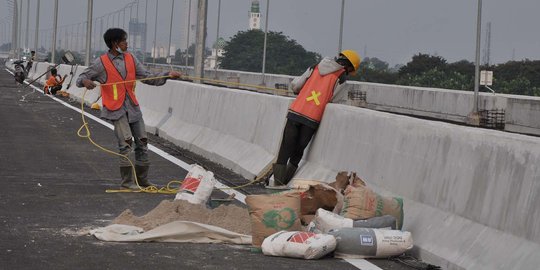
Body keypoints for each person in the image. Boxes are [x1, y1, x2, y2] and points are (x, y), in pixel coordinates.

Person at [76, 28, 181, 189]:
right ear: (114, 43)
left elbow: (147, 76)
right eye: (123, 41)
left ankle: (142, 180)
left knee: (143, 142)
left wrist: (167, 75)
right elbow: (82, 77)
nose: (127, 43)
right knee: (125, 143)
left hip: (132, 107)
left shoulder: (131, 59)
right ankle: (127, 182)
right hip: (116, 109)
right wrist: (85, 82)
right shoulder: (101, 63)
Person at [271, 50, 361, 187]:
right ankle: (284, 183)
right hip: (312, 118)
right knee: (298, 151)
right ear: (349, 67)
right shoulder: (341, 77)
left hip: (296, 111)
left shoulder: (315, 66)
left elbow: (296, 85)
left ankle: (277, 183)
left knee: (285, 148)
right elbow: (334, 100)